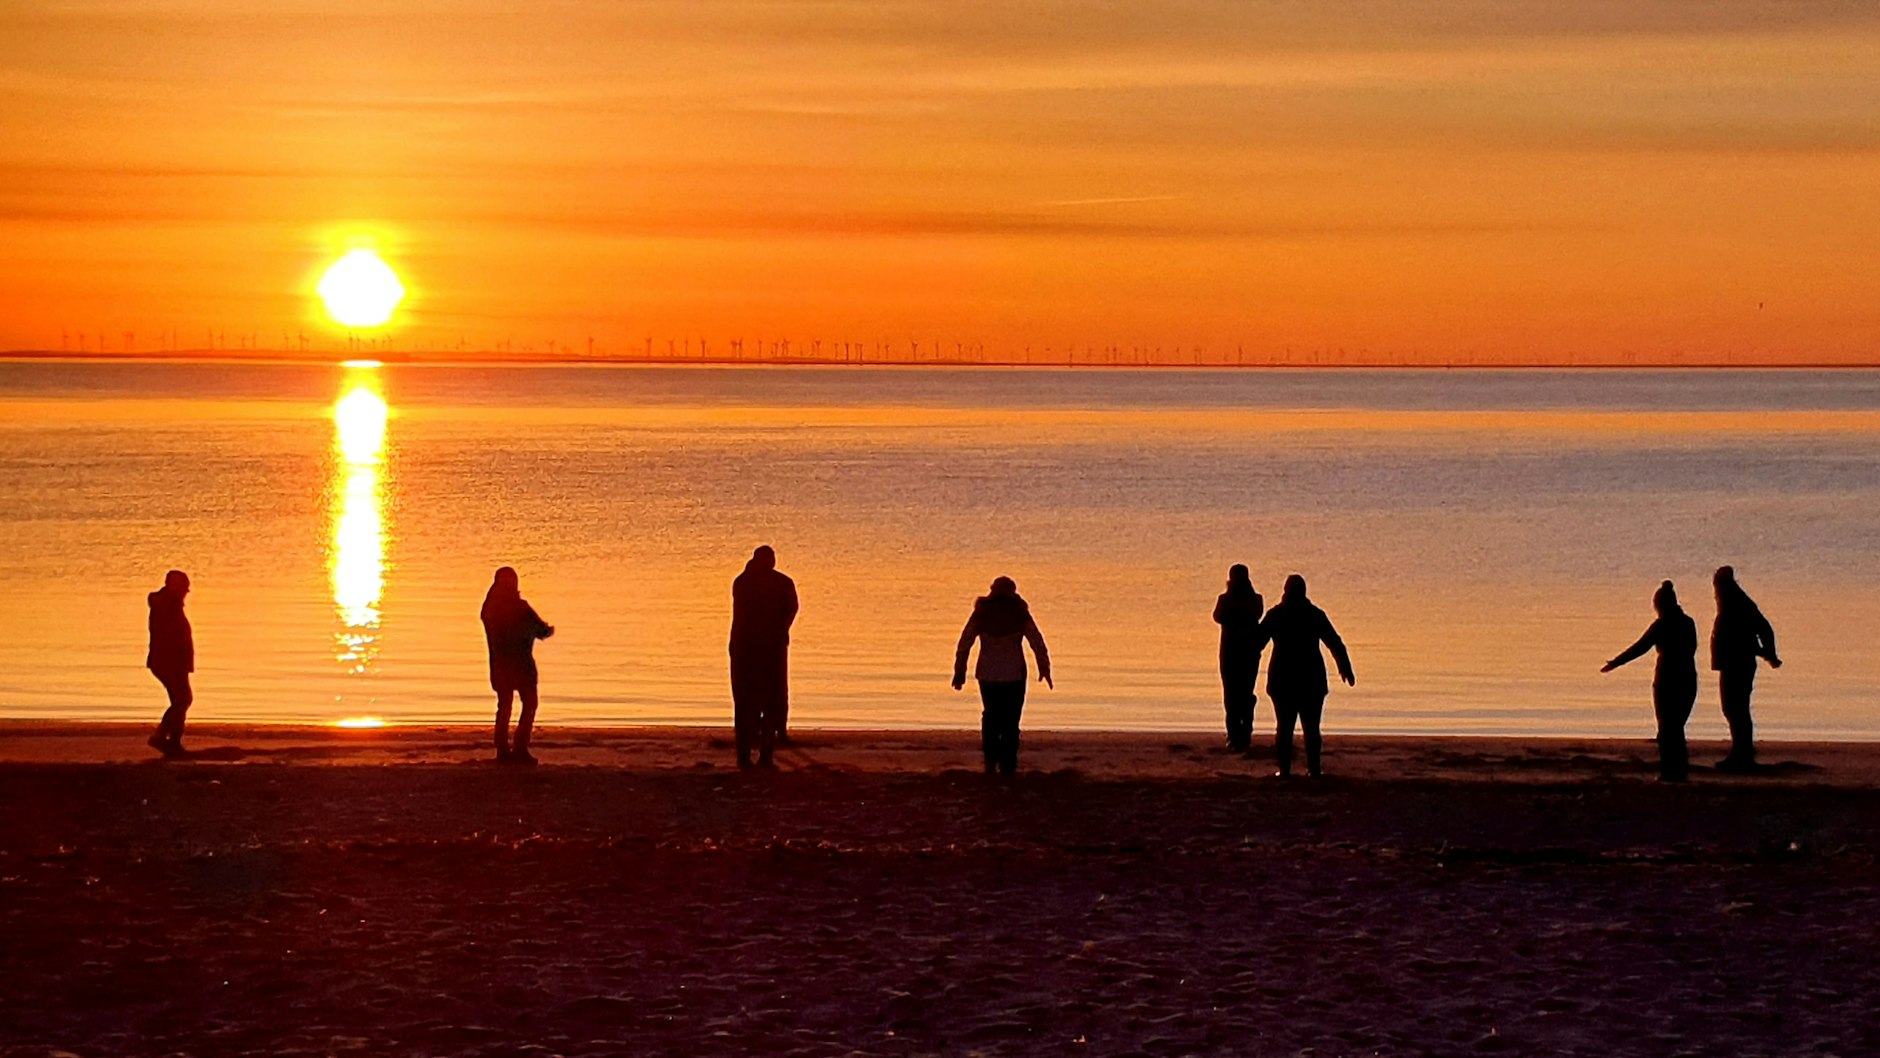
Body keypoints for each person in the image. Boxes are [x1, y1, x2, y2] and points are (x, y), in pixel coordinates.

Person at [953, 576, 1053, 775]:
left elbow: (965, 643)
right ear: (1012, 592)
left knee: (990, 717)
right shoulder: (1019, 613)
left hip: (988, 675)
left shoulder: (981, 613)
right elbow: (1037, 642)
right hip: (1014, 675)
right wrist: (1044, 668)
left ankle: (990, 762)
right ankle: (1008, 764)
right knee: (1011, 720)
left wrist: (960, 671)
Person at [1601, 580, 1699, 782]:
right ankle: (1679, 770)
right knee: (1677, 726)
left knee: (1666, 727)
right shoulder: (1688, 622)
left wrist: (1616, 663)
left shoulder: (1662, 625)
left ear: (1660, 604)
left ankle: (1669, 771)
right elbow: (1692, 648)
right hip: (1688, 676)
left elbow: (1641, 647)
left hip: (1668, 678)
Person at [1257, 574, 1354, 778]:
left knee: (1286, 728)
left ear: (1285, 591)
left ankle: (1286, 770)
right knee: (1309, 728)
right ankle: (1313, 769)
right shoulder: (1313, 614)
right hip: (1309, 679)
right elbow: (1335, 642)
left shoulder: (1277, 614)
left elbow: (1255, 643)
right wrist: (1345, 666)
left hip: (1285, 679)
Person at [730, 545, 798, 769]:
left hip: (751, 648)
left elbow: (791, 609)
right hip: (759, 649)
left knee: (753, 703)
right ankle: (758, 756)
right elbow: (791, 609)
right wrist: (781, 629)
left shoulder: (744, 581)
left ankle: (754, 756)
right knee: (762, 702)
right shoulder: (775, 583)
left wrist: (781, 630)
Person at [480, 566, 554, 765]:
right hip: (521, 665)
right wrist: (547, 630)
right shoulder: (520, 608)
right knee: (529, 704)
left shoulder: (489, 609)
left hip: (499, 665)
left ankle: (503, 750)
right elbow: (542, 631)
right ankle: (519, 748)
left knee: (504, 705)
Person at [1711, 565, 1781, 771]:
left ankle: (1743, 754)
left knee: (1736, 708)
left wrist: (1769, 653)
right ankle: (1741, 751)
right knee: (1733, 708)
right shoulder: (1729, 604)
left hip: (1738, 664)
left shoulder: (1738, 603)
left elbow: (1764, 627)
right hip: (1732, 663)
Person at [1213, 565, 1266, 751]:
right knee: (1235, 694)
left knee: (1239, 694)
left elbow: (1222, 616)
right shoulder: (1228, 599)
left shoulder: (1251, 600)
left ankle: (1241, 733)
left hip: (1242, 652)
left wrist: (1233, 615)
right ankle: (1236, 734)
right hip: (1237, 652)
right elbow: (1218, 616)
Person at [145, 570, 195, 757]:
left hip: (171, 661)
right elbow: (170, 637)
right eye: (184, 587)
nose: (186, 592)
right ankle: (163, 737)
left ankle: (173, 741)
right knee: (182, 699)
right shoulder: (167, 605)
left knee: (181, 700)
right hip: (168, 661)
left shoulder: (170, 604)